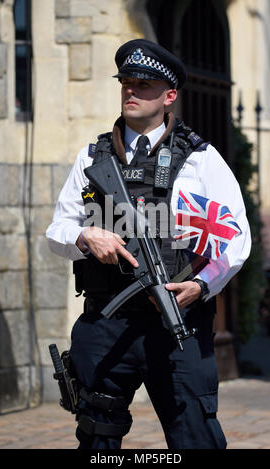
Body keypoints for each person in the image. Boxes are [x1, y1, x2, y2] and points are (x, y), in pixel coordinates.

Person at [46, 38, 251, 449]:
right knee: (96, 434)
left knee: (196, 434)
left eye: (144, 84)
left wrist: (202, 286)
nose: (131, 91)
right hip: (107, 320)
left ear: (169, 95)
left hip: (177, 320)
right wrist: (86, 236)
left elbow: (236, 239)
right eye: (126, 82)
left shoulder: (200, 159)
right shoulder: (91, 159)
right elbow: (58, 231)